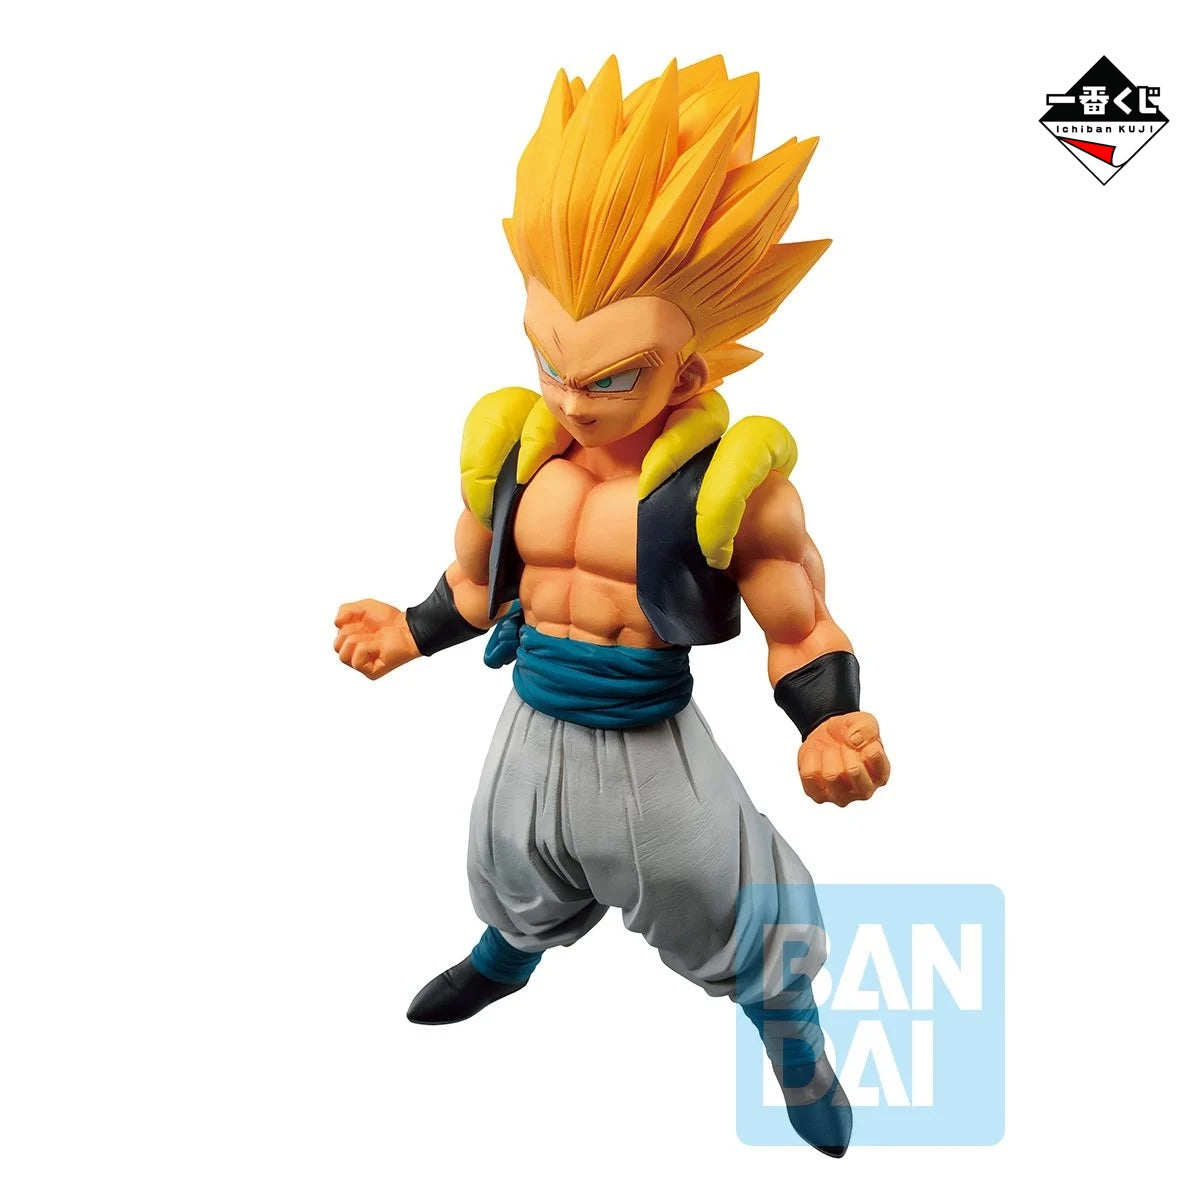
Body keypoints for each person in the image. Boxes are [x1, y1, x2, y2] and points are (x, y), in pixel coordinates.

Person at [333, 55, 890, 1155]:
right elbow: (477, 583)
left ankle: (787, 1025)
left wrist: (830, 721)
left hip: (647, 734)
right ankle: (507, 956)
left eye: (610, 377)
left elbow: (798, 623)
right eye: (550, 361)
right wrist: (409, 630)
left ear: (687, 371)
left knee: (724, 893)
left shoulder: (733, 488)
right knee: (504, 852)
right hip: (532, 714)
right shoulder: (521, 450)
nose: (572, 399)